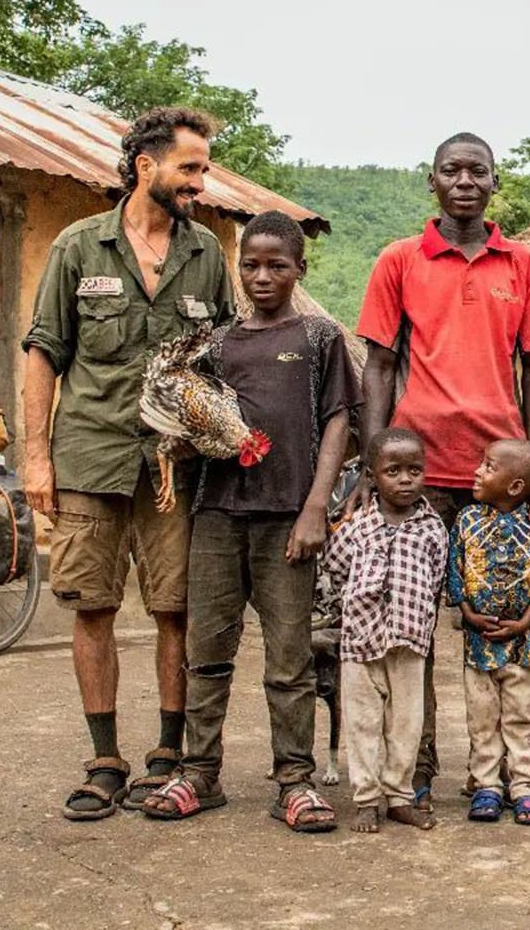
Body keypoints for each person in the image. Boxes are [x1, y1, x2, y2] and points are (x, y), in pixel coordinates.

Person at [22, 106, 235, 821]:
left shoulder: (206, 253)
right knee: (93, 607)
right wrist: (35, 459)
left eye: (203, 169)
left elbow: (226, 358)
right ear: (146, 166)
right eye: (191, 168)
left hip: (173, 469)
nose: (200, 183)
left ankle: (169, 755)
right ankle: (104, 758)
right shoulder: (79, 247)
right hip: (89, 454)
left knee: (176, 608)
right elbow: (43, 351)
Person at [354, 132, 530, 809]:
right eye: (452, 170)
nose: (465, 180)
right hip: (416, 474)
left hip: (497, 478)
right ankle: (413, 767)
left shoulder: (523, 264)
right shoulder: (399, 261)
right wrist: (371, 462)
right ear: (432, 182)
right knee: (408, 627)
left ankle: (502, 775)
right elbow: (380, 368)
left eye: (478, 170)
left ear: (494, 183)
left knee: (498, 623)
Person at [137, 212, 354, 832]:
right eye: (252, 265)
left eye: (277, 265)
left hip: (287, 516)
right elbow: (189, 423)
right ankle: (199, 773)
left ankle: (295, 780)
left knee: (290, 657)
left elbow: (339, 419)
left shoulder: (319, 339)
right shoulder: (217, 342)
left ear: (300, 269)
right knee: (207, 651)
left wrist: (317, 506)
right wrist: (182, 439)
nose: (263, 276)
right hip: (217, 515)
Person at [323, 428, 449, 834]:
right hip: (360, 641)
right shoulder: (357, 525)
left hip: (410, 642)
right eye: (393, 471)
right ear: (373, 476)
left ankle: (398, 796)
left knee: (406, 724)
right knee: (362, 722)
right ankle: (365, 798)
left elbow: (437, 579)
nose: (405, 479)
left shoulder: (432, 529)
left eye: (415, 470)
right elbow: (336, 568)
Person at [447, 440, 530, 826]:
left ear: (515, 486)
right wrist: (467, 614)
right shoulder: (466, 521)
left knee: (520, 715)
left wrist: (526, 621)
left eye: (488, 466)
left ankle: (524, 786)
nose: (477, 471)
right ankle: (487, 785)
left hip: (522, 646)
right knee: (482, 716)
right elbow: (455, 571)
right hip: (478, 645)